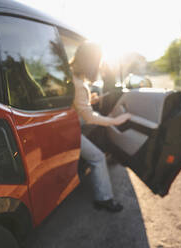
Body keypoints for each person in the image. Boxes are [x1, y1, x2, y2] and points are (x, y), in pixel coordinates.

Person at [70, 42, 131, 212]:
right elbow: (89, 118)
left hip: (68, 123)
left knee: (98, 130)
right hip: (69, 130)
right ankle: (104, 199)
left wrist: (90, 101)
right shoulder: (79, 84)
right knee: (97, 157)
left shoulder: (70, 75)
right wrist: (117, 121)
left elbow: (75, 105)